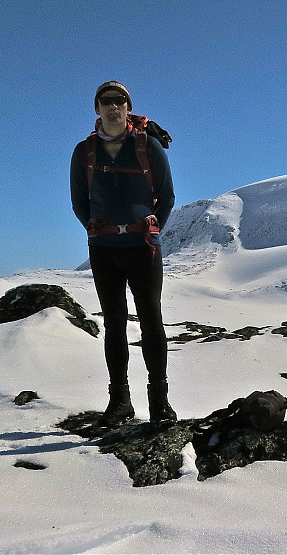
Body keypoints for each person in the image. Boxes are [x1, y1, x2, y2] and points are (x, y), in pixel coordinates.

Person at [70, 81, 176, 425]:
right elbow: (78, 201)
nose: (113, 106)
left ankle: (159, 402)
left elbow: (168, 195)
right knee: (114, 324)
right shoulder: (83, 152)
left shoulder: (148, 146)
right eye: (106, 101)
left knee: (151, 321)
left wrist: (150, 227)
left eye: (120, 101)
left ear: (128, 108)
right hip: (103, 249)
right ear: (97, 109)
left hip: (143, 247)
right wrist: (96, 228)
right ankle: (120, 402)